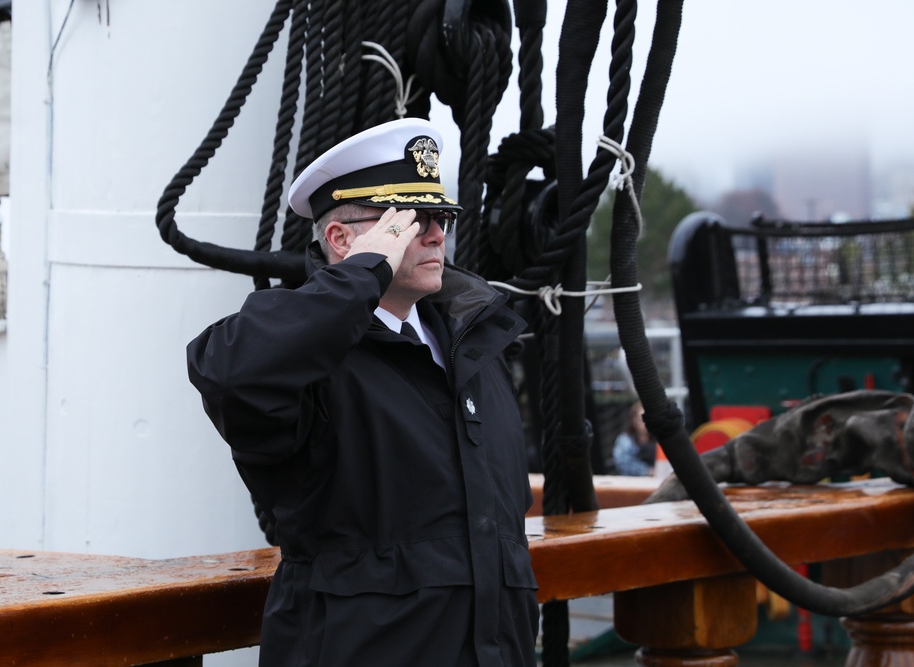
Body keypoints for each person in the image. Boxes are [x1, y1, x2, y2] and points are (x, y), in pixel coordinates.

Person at [186, 118, 539, 667]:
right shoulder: (306, 363)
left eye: (440, 216)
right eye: (408, 221)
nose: (435, 234)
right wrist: (364, 274)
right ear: (341, 239)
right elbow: (231, 372)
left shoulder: (474, 346)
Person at [611, 401, 656, 476]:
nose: (645, 423)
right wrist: (648, 471)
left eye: (648, 420)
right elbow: (623, 464)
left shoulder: (659, 439)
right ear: (634, 421)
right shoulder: (625, 440)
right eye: (641, 420)